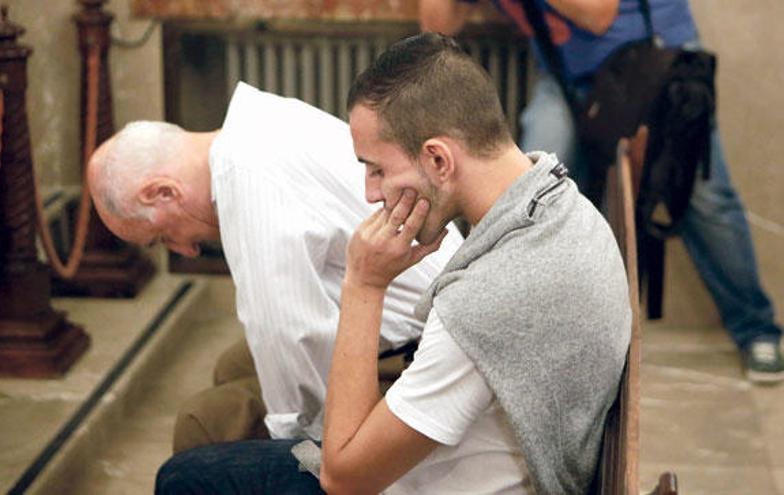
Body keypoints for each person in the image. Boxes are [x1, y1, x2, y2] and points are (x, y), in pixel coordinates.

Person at [156, 32, 630, 495]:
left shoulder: (484, 303)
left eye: (377, 169)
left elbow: (343, 479)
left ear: (438, 160)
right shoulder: (559, 198)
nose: (369, 193)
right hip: (504, 454)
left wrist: (364, 284)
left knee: (185, 478)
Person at [420, 0, 784, 383]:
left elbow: (598, 14)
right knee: (527, 190)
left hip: (656, 58)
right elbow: (437, 26)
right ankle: (511, 338)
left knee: (705, 198)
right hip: (569, 75)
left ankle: (756, 328)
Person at [87, 83, 463, 451]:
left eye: (163, 237)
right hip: (430, 314)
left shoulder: (249, 183)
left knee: (202, 421)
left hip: (427, 354)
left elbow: (291, 337)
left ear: (163, 191)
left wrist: (297, 455)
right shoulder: (257, 122)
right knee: (233, 365)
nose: (185, 249)